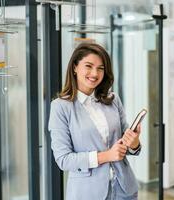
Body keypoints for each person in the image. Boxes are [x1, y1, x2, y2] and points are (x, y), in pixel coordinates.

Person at [48, 42, 142, 200]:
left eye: (101, 68)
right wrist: (107, 156)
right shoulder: (60, 107)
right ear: (75, 67)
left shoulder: (113, 99)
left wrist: (134, 143)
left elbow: (127, 145)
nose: (95, 73)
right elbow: (63, 159)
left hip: (124, 190)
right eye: (89, 66)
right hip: (87, 193)